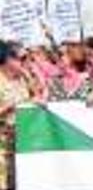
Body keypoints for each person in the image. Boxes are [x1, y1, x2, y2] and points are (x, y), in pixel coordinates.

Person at [0, 41, 36, 190]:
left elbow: (38, 96)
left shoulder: (23, 79)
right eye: (21, 58)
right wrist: (12, 106)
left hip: (22, 142)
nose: (25, 62)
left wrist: (31, 77)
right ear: (8, 59)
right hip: (3, 144)